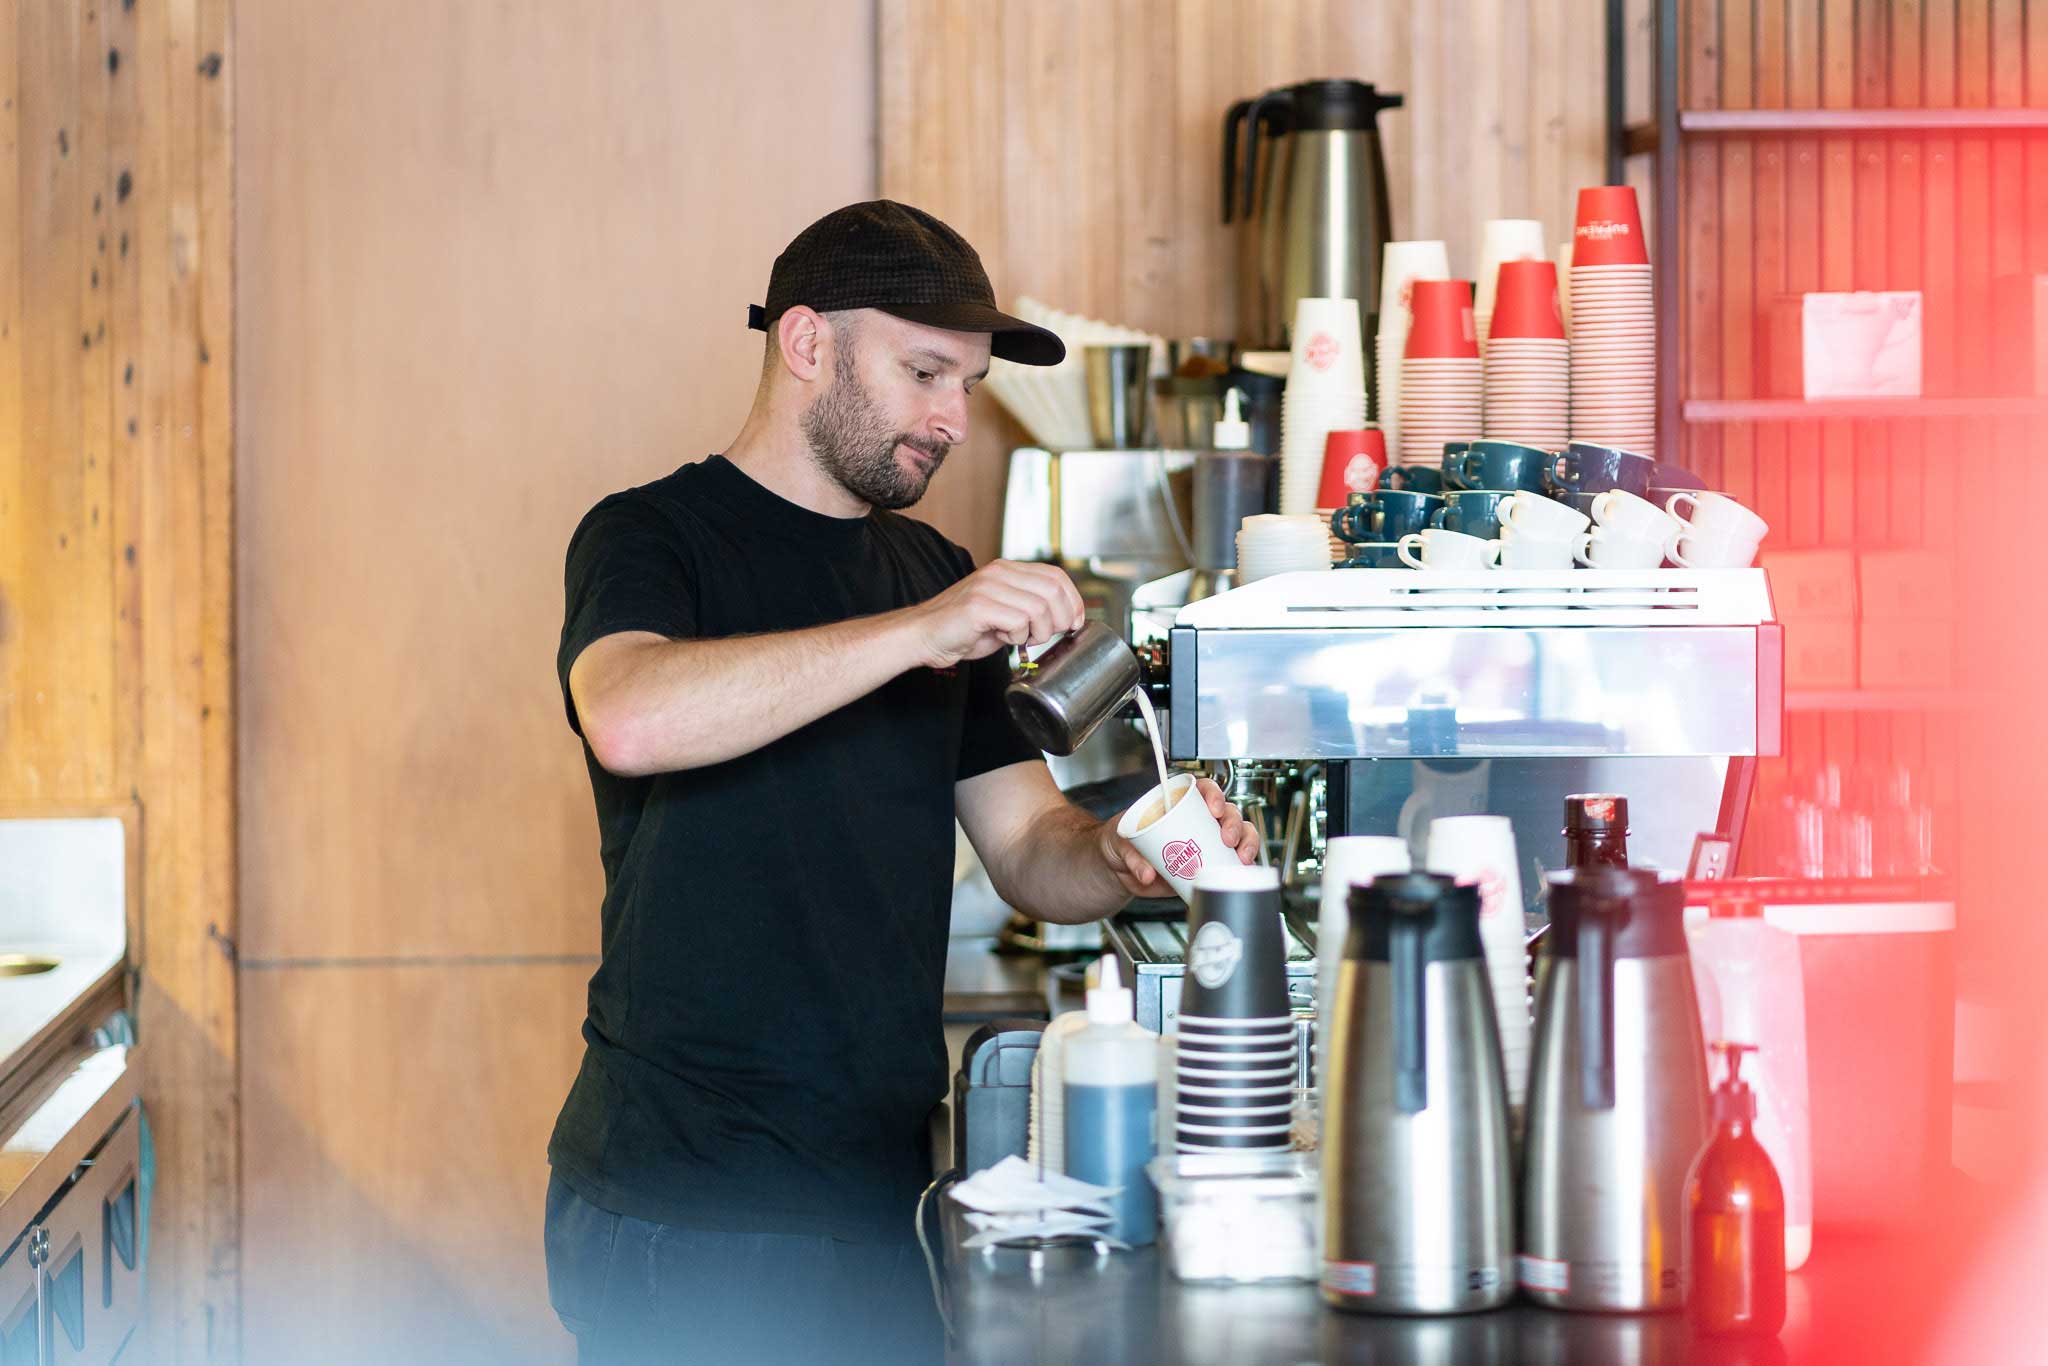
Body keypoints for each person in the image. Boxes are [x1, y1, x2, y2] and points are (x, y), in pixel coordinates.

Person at [542, 200, 1260, 1365]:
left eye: (966, 385)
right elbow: (628, 714)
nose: (951, 419)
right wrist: (918, 630)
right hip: (686, 1196)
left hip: (878, 1186)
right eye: (926, 371)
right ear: (807, 342)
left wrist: (1124, 853)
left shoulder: (928, 570)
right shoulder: (651, 536)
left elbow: (1028, 845)